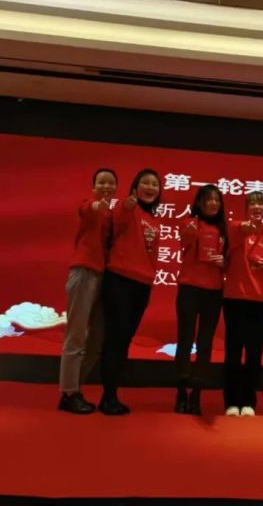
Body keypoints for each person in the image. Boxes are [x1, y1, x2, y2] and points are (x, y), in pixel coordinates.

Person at [99, 169, 161, 415]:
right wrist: (127, 206)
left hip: (142, 284)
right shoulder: (126, 207)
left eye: (155, 184)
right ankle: (108, 397)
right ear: (135, 188)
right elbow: (118, 223)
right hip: (119, 280)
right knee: (115, 338)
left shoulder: (154, 219)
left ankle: (112, 395)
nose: (150, 187)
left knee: (125, 339)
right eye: (145, 183)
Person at [58, 168, 117, 414]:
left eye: (110, 183)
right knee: (76, 335)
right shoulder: (89, 205)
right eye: (101, 182)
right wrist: (96, 206)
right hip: (84, 272)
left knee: (96, 339)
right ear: (93, 188)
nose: (106, 186)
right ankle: (68, 393)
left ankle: (75, 389)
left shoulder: (113, 214)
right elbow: (87, 210)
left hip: (103, 277)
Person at [222, 191, 263, 417]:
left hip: (261, 301)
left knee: (254, 353)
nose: (257, 207)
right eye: (253, 203)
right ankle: (231, 401)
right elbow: (234, 232)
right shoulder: (235, 230)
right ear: (246, 209)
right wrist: (245, 227)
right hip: (235, 298)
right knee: (233, 352)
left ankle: (249, 401)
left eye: (261, 204)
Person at [174, 184, 228, 416]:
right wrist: (190, 228)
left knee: (205, 343)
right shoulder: (189, 222)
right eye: (209, 199)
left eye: (217, 199)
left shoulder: (224, 229)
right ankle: (181, 391)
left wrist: (223, 262)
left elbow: (230, 261)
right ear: (200, 202)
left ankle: (197, 393)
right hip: (189, 288)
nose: (213, 203)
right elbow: (184, 242)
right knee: (185, 340)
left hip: (213, 291)